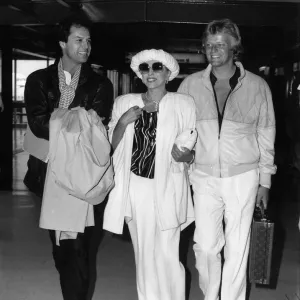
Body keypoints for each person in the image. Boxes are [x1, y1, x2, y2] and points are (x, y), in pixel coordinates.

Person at [178, 19, 276, 300]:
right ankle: (211, 295)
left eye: (220, 44)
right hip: (204, 175)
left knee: (238, 246)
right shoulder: (190, 85)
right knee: (206, 246)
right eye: (208, 45)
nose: (213, 50)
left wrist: (265, 180)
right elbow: (182, 132)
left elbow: (266, 134)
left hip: (243, 176)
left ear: (235, 47)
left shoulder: (257, 86)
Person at [24, 16, 113, 300]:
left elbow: (96, 129)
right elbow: (37, 123)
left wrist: (65, 119)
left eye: (88, 41)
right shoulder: (38, 80)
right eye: (79, 40)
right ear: (63, 43)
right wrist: (78, 118)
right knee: (61, 247)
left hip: (83, 176)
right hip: (48, 174)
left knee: (79, 247)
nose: (86, 46)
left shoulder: (100, 84)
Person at [103, 49, 196, 300]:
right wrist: (123, 122)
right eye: (145, 67)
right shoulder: (124, 102)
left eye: (157, 67)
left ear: (169, 73)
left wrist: (186, 156)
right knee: (144, 253)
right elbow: (110, 146)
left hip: (169, 185)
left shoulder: (183, 103)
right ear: (139, 73)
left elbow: (191, 150)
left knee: (168, 252)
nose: (151, 72)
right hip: (137, 187)